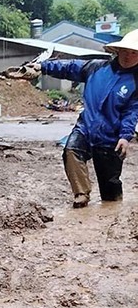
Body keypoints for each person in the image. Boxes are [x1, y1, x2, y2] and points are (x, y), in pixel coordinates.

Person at [30, 29, 138, 208]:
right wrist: (42, 67)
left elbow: (131, 112)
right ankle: (81, 194)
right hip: (86, 126)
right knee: (71, 150)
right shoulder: (96, 68)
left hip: (111, 136)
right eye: (126, 51)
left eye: (134, 53)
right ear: (118, 51)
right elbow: (69, 67)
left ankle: (114, 212)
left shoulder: (135, 81)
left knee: (110, 190)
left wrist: (125, 137)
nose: (128, 56)